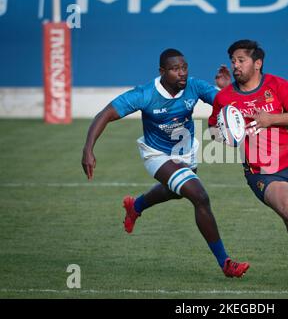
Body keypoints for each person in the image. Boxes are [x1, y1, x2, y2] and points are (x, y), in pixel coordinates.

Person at [81, 48, 249, 278]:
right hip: (156, 155)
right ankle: (226, 262)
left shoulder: (194, 86)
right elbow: (106, 114)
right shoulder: (145, 94)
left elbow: (229, 103)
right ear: (162, 71)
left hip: (186, 151)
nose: (182, 73)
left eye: (184, 68)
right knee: (199, 196)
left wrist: (226, 89)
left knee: (176, 192)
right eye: (174, 69)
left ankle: (136, 206)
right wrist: (88, 149)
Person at [208, 40, 288, 286]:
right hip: (262, 171)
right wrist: (227, 135)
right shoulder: (224, 97)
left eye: (241, 60)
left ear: (257, 63)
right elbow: (214, 132)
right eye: (233, 61)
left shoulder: (276, 85)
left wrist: (272, 119)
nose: (235, 65)